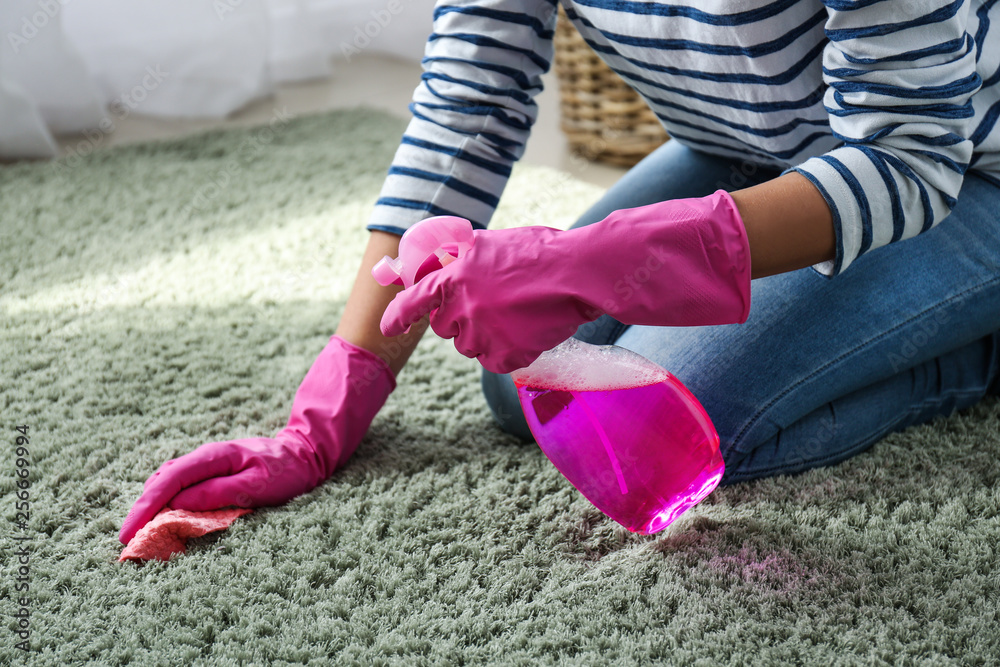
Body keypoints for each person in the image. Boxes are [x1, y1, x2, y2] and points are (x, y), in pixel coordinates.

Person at [120, 0, 1000, 544]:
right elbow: (470, 99)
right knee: (523, 391)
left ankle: (973, 335)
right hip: (748, 150)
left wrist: (595, 265)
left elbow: (906, 157)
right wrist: (327, 410)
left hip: (963, 173)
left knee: (674, 435)